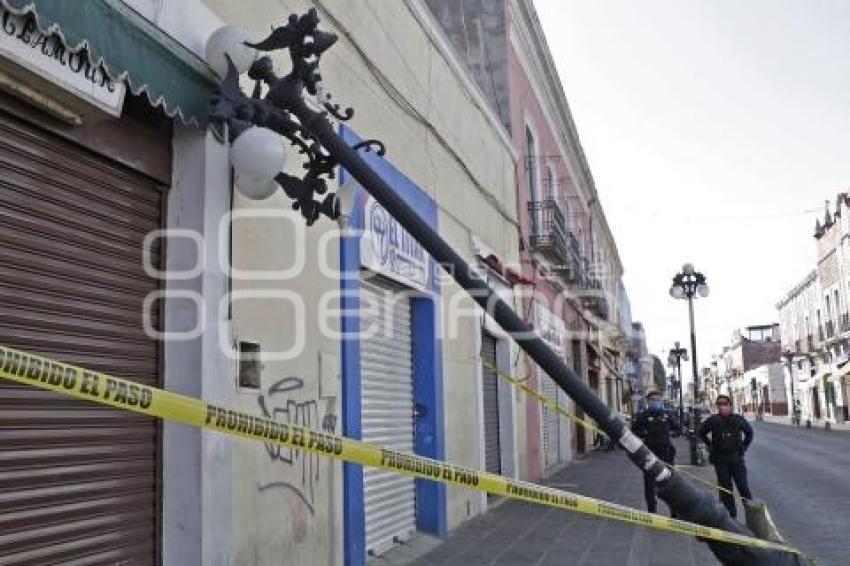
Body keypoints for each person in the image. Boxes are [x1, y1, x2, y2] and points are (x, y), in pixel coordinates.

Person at [698, 395, 754, 519]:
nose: (722, 406)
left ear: (730, 405)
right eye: (720, 404)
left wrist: (743, 448)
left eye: (725, 404)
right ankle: (730, 518)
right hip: (720, 460)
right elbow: (701, 432)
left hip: (736, 459)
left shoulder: (738, 419)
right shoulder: (713, 420)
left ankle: (753, 517)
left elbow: (749, 433)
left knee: (743, 488)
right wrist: (710, 445)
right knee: (725, 490)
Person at [632, 391, 681, 514]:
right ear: (648, 402)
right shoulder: (643, 415)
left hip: (667, 454)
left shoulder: (668, 414)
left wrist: (673, 433)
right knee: (649, 486)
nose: (655, 402)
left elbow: (678, 429)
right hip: (649, 455)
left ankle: (674, 513)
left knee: (670, 485)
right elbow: (634, 431)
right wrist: (645, 435)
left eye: (658, 400)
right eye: (653, 400)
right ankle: (652, 513)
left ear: (661, 401)